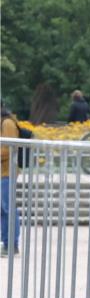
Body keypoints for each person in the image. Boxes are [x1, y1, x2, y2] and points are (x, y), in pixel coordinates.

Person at [1, 107, 22, 256]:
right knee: (4, 209)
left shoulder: (7, 123)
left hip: (8, 171)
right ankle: (6, 243)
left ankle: (12, 245)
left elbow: (8, 148)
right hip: (4, 172)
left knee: (9, 208)